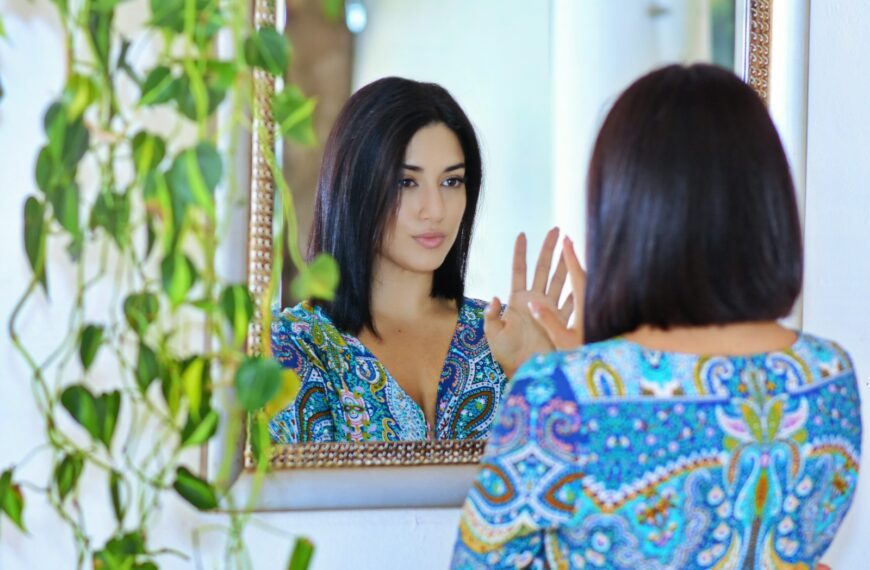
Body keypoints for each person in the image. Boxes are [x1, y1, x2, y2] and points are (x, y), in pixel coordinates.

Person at [452, 64, 861, 569]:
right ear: (765, 201)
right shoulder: (828, 375)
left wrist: (582, 371)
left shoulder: (560, 394)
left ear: (624, 210)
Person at [269, 77, 571, 443]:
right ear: (356, 186)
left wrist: (542, 377)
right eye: (406, 182)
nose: (435, 209)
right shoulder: (296, 347)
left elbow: (574, 489)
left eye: (452, 181)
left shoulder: (506, 337)